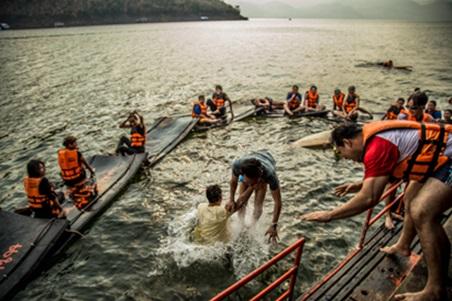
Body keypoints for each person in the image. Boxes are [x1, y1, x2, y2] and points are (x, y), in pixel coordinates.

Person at [301, 120, 452, 301]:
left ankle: (435, 289)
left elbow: (369, 198)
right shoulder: (374, 140)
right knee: (410, 198)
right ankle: (403, 246)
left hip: (448, 158)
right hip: (438, 158)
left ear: (348, 142)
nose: (346, 159)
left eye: (340, 152)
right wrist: (358, 185)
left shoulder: (377, 147)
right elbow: (388, 173)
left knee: (422, 211)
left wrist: (330, 215)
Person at [227, 150, 282, 244]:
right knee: (242, 202)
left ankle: (252, 227)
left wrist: (274, 225)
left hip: (265, 165)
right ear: (243, 175)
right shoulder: (238, 165)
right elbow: (233, 182)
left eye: (252, 183)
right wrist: (231, 200)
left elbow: (278, 202)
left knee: (258, 206)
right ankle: (241, 224)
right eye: (248, 182)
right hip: (251, 163)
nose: (250, 185)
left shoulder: (270, 175)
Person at [58, 136, 97, 210]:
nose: (76, 144)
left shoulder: (60, 153)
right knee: (81, 167)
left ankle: (70, 186)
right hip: (78, 178)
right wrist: (92, 172)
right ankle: (83, 183)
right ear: (70, 145)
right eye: (75, 143)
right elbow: (86, 164)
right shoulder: (77, 153)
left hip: (67, 181)